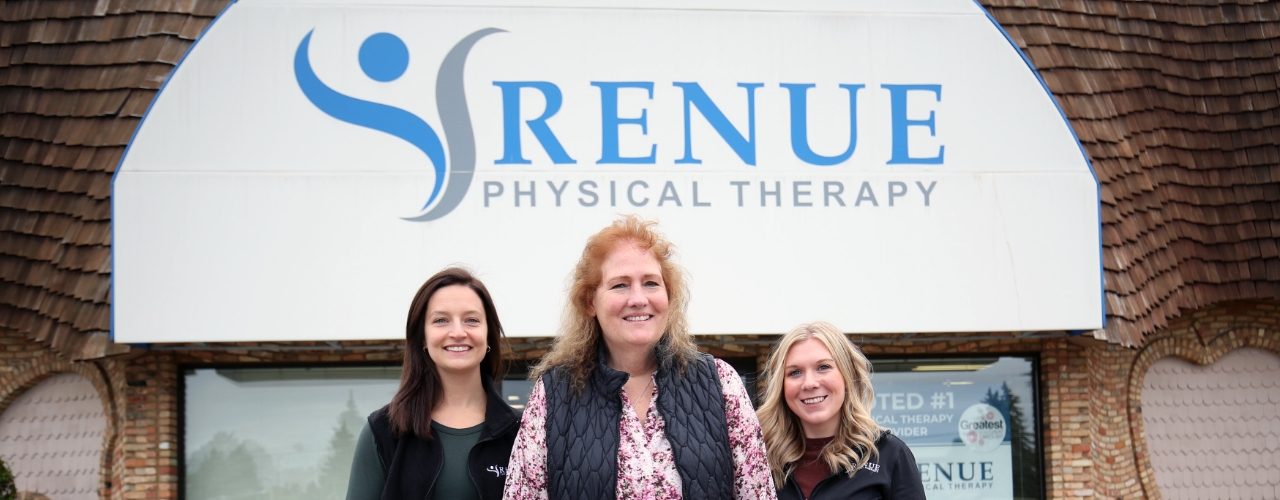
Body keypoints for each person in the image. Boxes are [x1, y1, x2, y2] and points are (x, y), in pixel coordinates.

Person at [503, 215, 776, 500]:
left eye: (651, 283)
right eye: (620, 285)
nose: (638, 299)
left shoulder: (720, 383)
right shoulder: (554, 394)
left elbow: (758, 494)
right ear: (590, 301)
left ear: (668, 296)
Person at [346, 268, 519, 500]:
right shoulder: (384, 431)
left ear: (488, 335)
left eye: (471, 320)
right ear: (423, 339)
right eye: (441, 320)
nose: (458, 332)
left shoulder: (524, 432)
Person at [757, 322, 926, 500]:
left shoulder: (888, 454)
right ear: (781, 385)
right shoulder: (758, 457)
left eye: (823, 367)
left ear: (848, 375)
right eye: (795, 372)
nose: (809, 383)